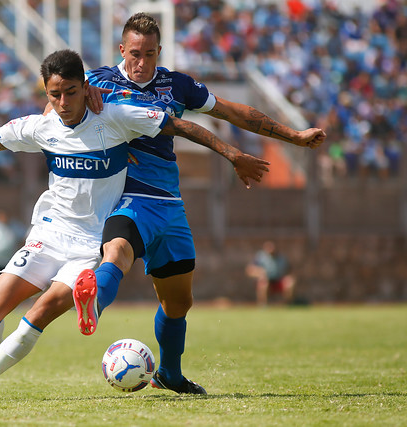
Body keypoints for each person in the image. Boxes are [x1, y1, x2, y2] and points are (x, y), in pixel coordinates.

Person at [0, 49, 269, 405]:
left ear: (86, 88)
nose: (64, 103)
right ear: (47, 94)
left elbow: (181, 127)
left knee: (39, 312)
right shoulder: (40, 127)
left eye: (71, 92)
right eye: (55, 95)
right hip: (49, 236)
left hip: (89, 246)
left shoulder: (116, 116)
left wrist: (234, 155)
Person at [72, 12, 326, 394]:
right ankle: (93, 303)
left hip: (170, 205)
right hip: (127, 198)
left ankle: (168, 374)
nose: (142, 63)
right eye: (135, 53)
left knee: (179, 303)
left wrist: (293, 135)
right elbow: (54, 112)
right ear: (121, 49)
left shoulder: (176, 85)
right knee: (118, 254)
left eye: (151, 54)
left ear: (160, 51)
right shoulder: (95, 82)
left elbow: (231, 111)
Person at [246, 240, 296, 306]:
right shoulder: (260, 258)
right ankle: (263, 305)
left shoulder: (282, 258)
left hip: (278, 281)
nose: (270, 249)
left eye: (272, 247)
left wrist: (289, 277)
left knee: (289, 282)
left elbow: (290, 271)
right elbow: (249, 270)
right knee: (263, 283)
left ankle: (288, 304)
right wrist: (260, 273)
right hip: (266, 281)